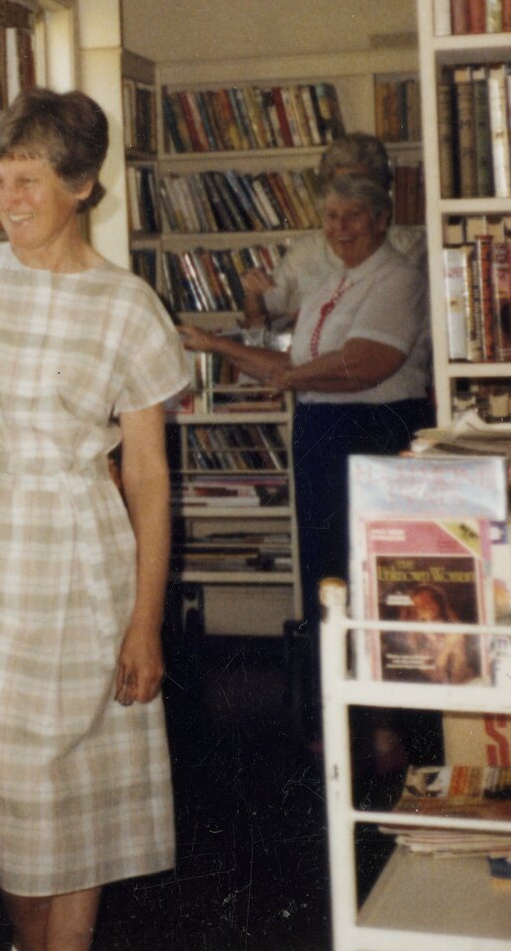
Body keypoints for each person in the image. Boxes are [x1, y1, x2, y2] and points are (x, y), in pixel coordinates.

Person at [0, 88, 189, 951]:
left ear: (81, 187)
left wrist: (144, 623)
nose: (9, 200)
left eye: (27, 181)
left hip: (76, 564)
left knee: (73, 785)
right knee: (3, 792)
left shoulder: (126, 305)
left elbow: (145, 476)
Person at [181, 172, 435, 727]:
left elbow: (366, 364)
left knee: (373, 574)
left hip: (375, 430)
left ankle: (389, 726)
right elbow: (291, 362)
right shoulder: (331, 284)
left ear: (381, 219)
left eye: (353, 215)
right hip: (322, 428)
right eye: (331, 217)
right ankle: (340, 716)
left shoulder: (399, 278)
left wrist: (271, 369)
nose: (339, 228)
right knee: (327, 573)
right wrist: (216, 344)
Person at [241, 133, 425, 334]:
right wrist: (253, 292)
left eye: (361, 189)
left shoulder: (411, 247)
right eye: (341, 188)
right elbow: (259, 320)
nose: (349, 197)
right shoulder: (305, 250)